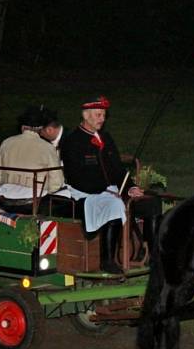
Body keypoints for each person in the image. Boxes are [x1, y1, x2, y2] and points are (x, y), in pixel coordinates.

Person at [60, 95, 160, 274]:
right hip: (86, 194)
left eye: (104, 115)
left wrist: (130, 187)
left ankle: (151, 255)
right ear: (86, 116)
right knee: (113, 204)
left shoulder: (106, 138)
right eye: (98, 115)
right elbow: (76, 177)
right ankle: (107, 261)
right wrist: (105, 190)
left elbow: (118, 169)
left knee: (151, 202)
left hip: (113, 190)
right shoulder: (72, 142)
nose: (102, 119)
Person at [0, 106, 65, 213]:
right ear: (40, 129)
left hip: (6, 198)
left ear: (22, 127)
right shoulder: (47, 148)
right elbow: (56, 183)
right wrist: (45, 190)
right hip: (33, 202)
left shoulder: (7, 142)